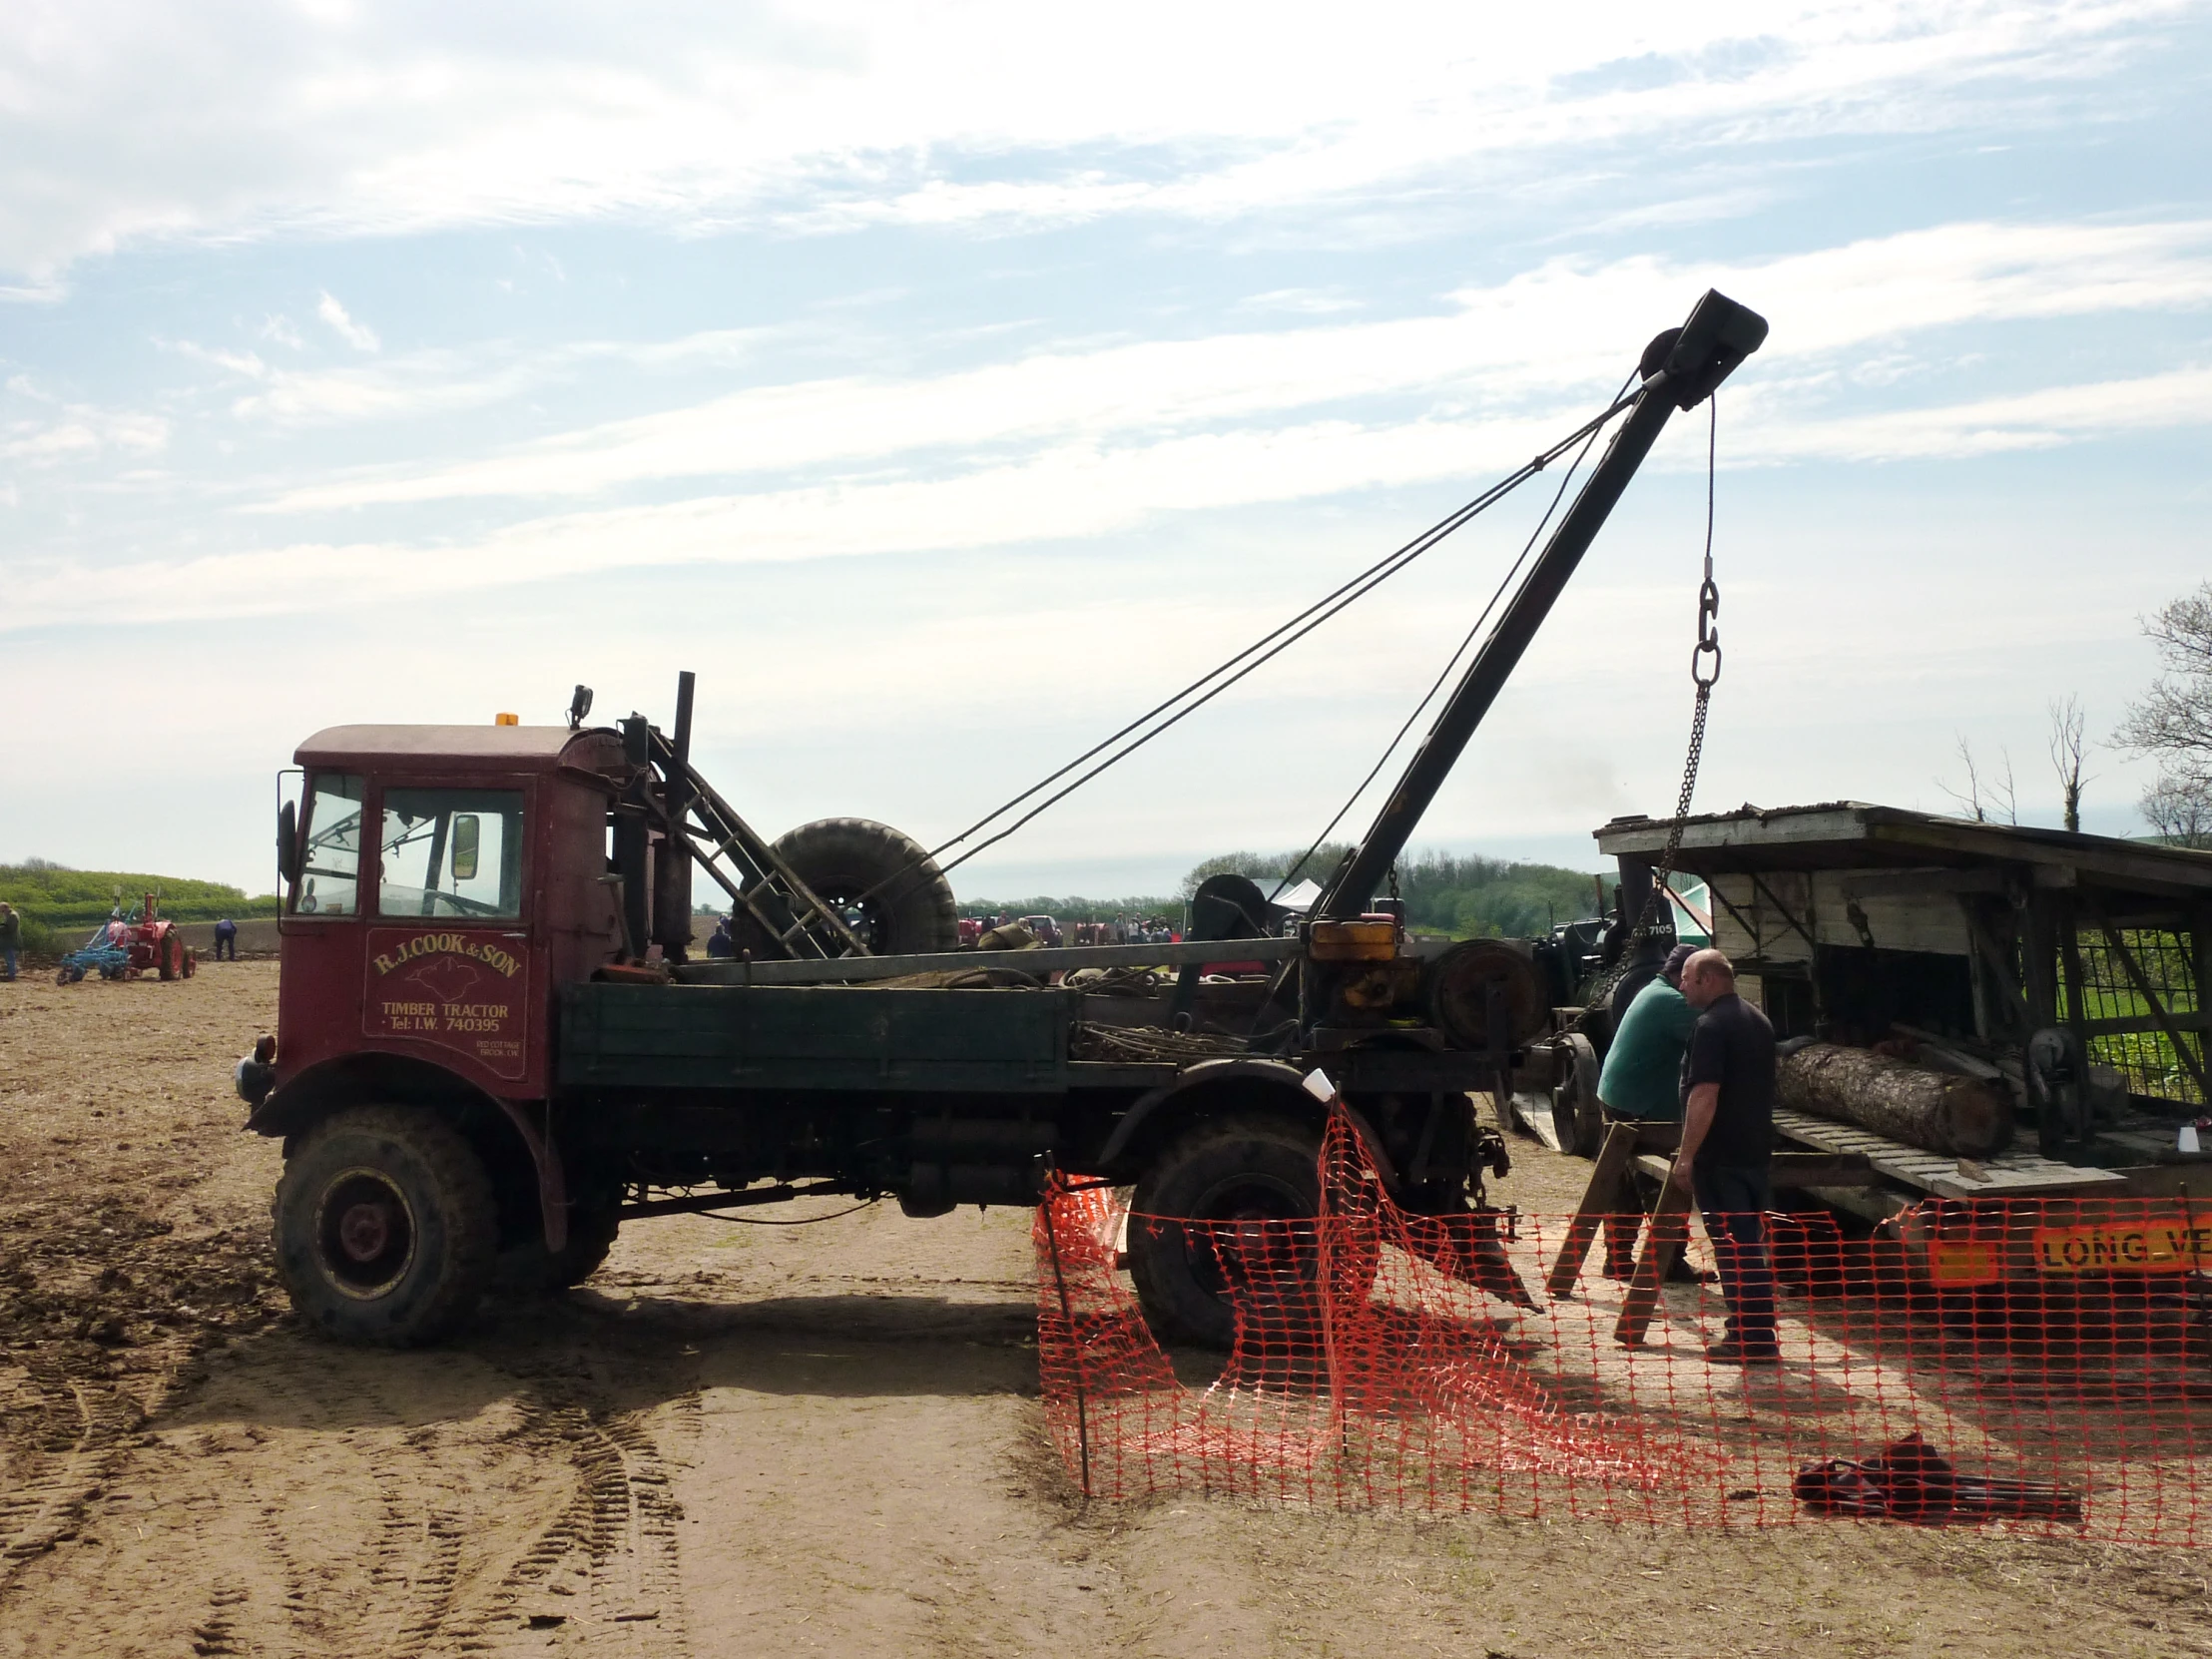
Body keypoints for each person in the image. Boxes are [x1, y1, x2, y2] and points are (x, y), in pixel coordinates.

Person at [1670, 947, 1781, 1365]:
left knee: (1735, 1250)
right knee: (1750, 1245)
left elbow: (1704, 1095)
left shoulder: (1711, 1026)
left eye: (1686, 978)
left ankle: (1751, 1339)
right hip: (1754, 1150)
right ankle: (1755, 1331)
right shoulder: (1758, 1020)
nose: (1681, 985)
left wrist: (1686, 1156)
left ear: (1708, 980)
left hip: (1722, 1157)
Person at [1594, 943, 1702, 1282]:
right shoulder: (1672, 1003)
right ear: (1686, 977)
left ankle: (1618, 1259)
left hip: (1617, 1095)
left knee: (1622, 1179)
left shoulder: (1652, 990)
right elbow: (1720, 1035)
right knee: (1668, 1178)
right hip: (1642, 1104)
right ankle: (1670, 1263)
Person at [0, 902, 19, 981]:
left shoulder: (13, 916)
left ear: (5, 908)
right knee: (9, 957)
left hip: (10, 940)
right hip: (6, 940)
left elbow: (8, 929)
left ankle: (11, 975)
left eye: (1, 910)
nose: (1, 912)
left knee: (10, 958)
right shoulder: (9, 915)